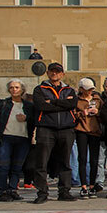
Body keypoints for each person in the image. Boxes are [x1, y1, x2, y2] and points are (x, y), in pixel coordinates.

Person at [29, 63, 78, 203]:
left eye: (57, 72)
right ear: (48, 73)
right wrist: (62, 104)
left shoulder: (69, 90)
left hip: (66, 128)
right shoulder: (39, 89)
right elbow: (41, 106)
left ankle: (64, 191)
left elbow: (72, 104)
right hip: (46, 128)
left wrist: (53, 102)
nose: (54, 74)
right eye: (52, 71)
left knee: (65, 161)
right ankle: (42, 192)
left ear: (62, 74)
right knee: (42, 162)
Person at [0, 79, 35, 201]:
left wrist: (26, 118)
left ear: (22, 90)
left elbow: (35, 120)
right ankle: (3, 191)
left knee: (17, 167)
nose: (14, 90)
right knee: (3, 166)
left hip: (23, 138)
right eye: (11, 87)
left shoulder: (29, 106)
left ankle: (12, 189)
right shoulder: (3, 104)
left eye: (17, 87)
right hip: (6, 137)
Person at [73, 78, 104, 199]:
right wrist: (83, 113)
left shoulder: (97, 100)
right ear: (81, 89)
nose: (90, 91)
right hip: (81, 130)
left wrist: (97, 112)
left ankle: (92, 185)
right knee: (82, 158)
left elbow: (104, 114)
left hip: (95, 131)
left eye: (91, 89)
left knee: (94, 160)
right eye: (87, 89)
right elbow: (72, 115)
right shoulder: (77, 100)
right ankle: (83, 186)